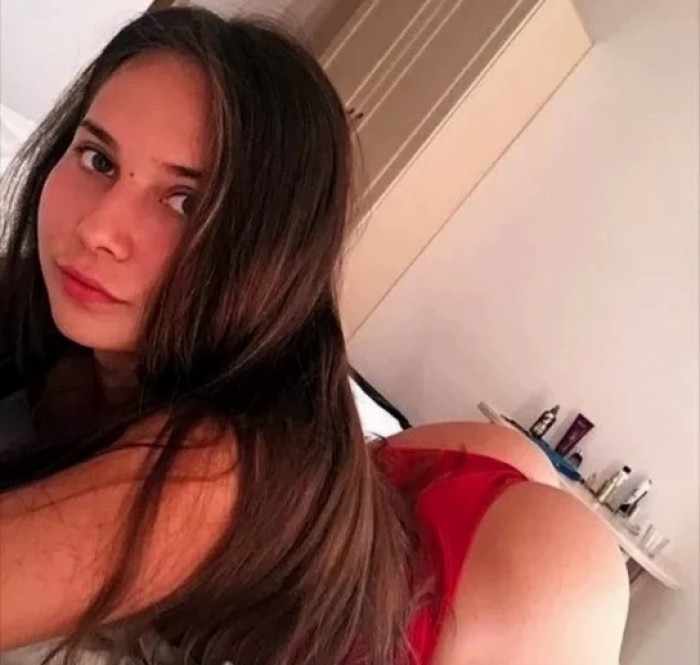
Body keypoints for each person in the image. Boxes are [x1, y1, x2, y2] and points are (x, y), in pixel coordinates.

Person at [0, 7, 629, 665]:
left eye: (186, 202)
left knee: (556, 552)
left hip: (480, 581)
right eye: (98, 158)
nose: (98, 228)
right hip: (408, 482)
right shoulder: (43, 329)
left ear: (270, 255)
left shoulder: (209, 475)